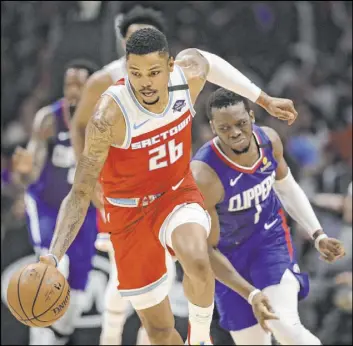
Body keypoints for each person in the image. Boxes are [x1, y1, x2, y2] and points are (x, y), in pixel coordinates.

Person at [39, 28, 298, 345]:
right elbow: (79, 193)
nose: (145, 82)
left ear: (171, 65)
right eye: (135, 73)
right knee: (160, 332)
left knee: (197, 258)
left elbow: (209, 62)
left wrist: (263, 99)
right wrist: (52, 256)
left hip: (176, 194)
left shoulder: (185, 79)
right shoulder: (108, 117)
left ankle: (200, 338)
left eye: (153, 72)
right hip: (129, 215)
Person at [191, 88, 346, 345]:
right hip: (228, 263)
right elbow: (207, 250)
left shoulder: (269, 140)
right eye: (225, 128)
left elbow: (286, 187)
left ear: (252, 116)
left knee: (284, 325)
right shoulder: (204, 175)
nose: (235, 133)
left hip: (269, 244)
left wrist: (318, 234)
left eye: (241, 123)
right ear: (212, 127)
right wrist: (251, 295)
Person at [71, 6, 172, 345]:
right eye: (131, 39)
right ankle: (112, 335)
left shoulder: (172, 79)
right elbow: (80, 125)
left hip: (161, 186)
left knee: (164, 271)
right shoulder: (103, 79)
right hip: (120, 187)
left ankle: (143, 338)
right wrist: (89, 181)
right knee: (125, 271)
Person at [11, 60, 99, 345]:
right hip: (48, 205)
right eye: (68, 84)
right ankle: (40, 337)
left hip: (84, 208)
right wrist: (23, 174)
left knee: (79, 290)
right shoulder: (49, 119)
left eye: (79, 84)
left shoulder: (104, 121)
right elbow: (30, 173)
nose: (73, 90)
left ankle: (57, 336)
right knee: (50, 271)